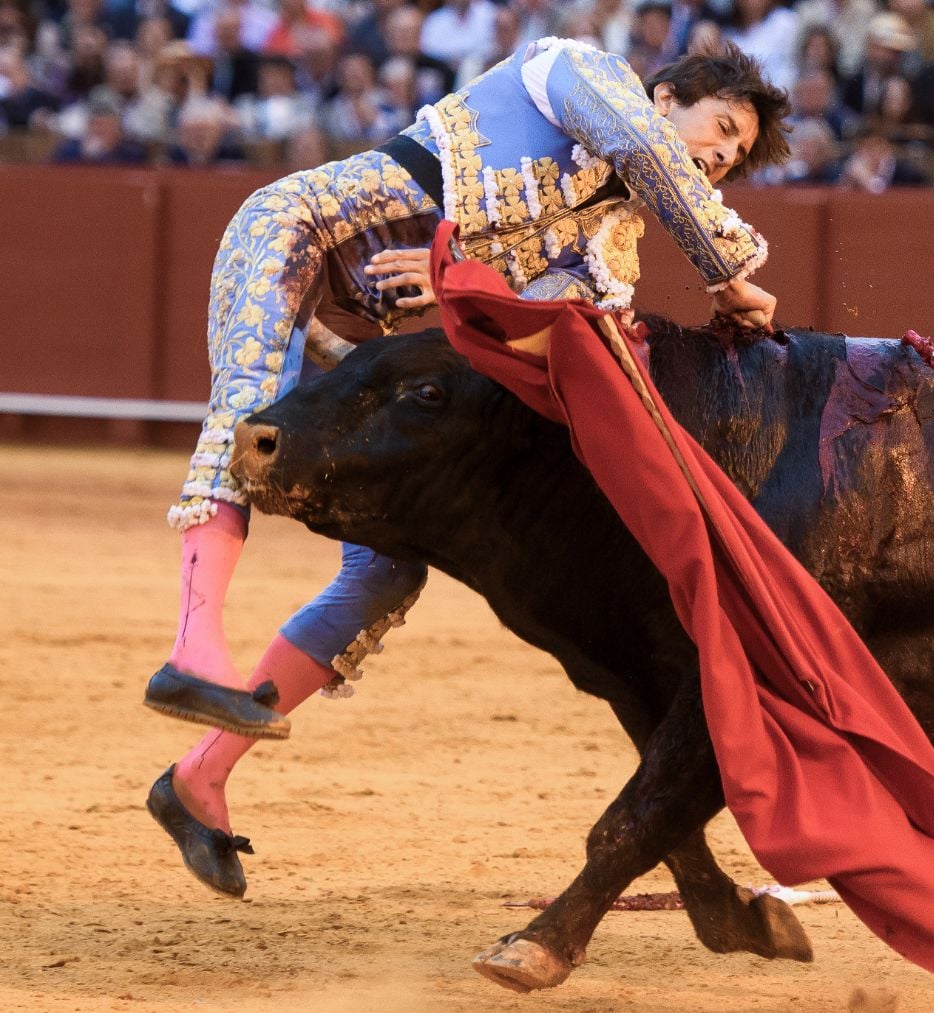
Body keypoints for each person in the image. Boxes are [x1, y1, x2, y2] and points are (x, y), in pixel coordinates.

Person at [145, 38, 790, 898]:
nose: (719, 157)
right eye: (721, 128)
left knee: (387, 572)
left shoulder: (613, 251)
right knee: (249, 418)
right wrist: (730, 272)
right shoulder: (577, 72)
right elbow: (641, 150)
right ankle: (195, 647)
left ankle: (199, 776)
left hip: (373, 350)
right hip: (296, 239)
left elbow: (555, 326)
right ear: (666, 96)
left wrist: (458, 274)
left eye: (735, 157)